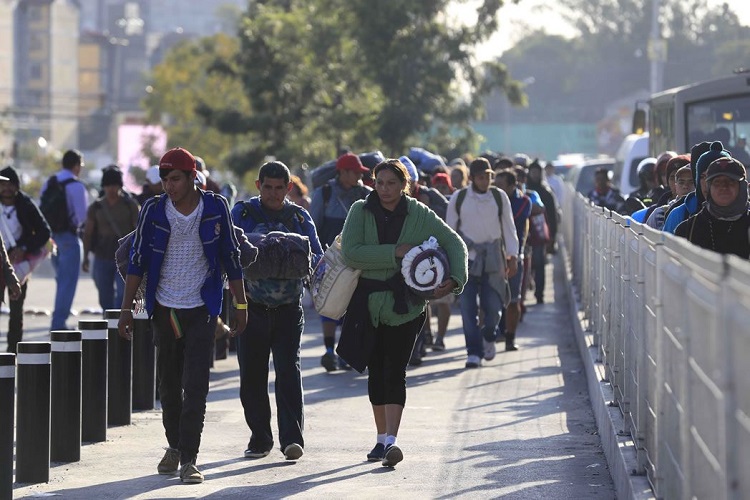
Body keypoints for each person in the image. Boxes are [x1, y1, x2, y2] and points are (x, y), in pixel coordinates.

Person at [117, 147, 248, 484]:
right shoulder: (153, 210)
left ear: (193, 177)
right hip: (164, 309)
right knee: (169, 386)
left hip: (202, 309)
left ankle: (189, 458)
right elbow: (137, 261)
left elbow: (231, 258)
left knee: (196, 386)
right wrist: (126, 309)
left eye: (175, 178)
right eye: (164, 179)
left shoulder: (216, 207)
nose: (169, 186)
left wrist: (241, 305)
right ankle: (174, 446)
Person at [338, 158, 467, 466]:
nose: (385, 189)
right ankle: (380, 438)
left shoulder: (419, 213)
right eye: (379, 182)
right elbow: (351, 253)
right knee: (375, 372)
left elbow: (454, 242)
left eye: (392, 183)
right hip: (366, 306)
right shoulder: (360, 210)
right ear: (372, 183)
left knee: (395, 371)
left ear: (405, 185)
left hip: (406, 307)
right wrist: (393, 252)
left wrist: (454, 280)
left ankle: (392, 441)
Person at [232, 161, 323, 462]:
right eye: (267, 187)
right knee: (252, 376)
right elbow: (227, 253)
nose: (273, 193)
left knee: (288, 372)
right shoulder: (243, 214)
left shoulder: (299, 217)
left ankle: (291, 440)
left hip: (288, 310)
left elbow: (317, 258)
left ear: (288, 188)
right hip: (251, 308)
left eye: (279, 188)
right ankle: (260, 439)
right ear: (259, 186)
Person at [447, 158, 519, 367]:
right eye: (481, 177)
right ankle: (473, 352)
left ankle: (490, 334)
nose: (485, 180)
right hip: (467, 258)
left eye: (488, 176)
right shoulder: (459, 198)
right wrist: (450, 261)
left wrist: (513, 256)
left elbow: (509, 227)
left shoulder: (499, 196)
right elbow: (450, 231)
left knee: (494, 304)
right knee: (468, 307)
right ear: (471, 178)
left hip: (494, 256)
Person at [309, 153, 371, 371]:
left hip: (357, 260)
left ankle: (345, 352)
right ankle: (328, 351)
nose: (358, 176)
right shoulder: (324, 193)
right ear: (342, 172)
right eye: (354, 172)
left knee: (352, 308)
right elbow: (313, 227)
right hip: (330, 260)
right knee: (329, 304)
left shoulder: (365, 195)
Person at [41, 149, 89, 330]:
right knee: (67, 283)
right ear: (76, 165)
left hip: (51, 239)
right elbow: (82, 217)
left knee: (61, 280)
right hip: (69, 237)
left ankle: (58, 321)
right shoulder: (76, 186)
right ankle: (58, 324)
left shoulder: (50, 182)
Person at [82, 166, 139, 311]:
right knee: (104, 295)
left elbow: (138, 231)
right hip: (102, 256)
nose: (112, 189)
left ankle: (118, 322)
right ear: (104, 187)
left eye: (115, 185)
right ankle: (109, 322)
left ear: (120, 186)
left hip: (124, 256)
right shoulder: (96, 207)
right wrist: (86, 257)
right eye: (108, 186)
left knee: (122, 294)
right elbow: (88, 233)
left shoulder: (130, 206)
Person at [674, 157, 749, 257]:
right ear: (709, 188)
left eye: (731, 181)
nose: (723, 187)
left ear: (742, 187)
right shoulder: (687, 230)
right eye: (717, 182)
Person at [0, 167, 41, 353]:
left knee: (16, 312)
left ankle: (12, 353)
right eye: (3, 184)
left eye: (10, 184)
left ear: (17, 186)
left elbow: (44, 232)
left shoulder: (26, 204)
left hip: (17, 265)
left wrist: (23, 247)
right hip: (2, 260)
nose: (6, 188)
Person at [494, 169, 531, 350]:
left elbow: (513, 221)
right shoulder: (491, 199)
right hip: (493, 255)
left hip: (513, 255)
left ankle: (510, 337)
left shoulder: (523, 202)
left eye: (500, 185)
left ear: (511, 185)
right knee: (490, 298)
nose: (496, 188)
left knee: (513, 300)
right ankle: (492, 334)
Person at [664, 141, 730, 234]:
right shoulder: (680, 215)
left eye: (717, 177)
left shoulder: (746, 217)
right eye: (703, 176)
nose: (708, 183)